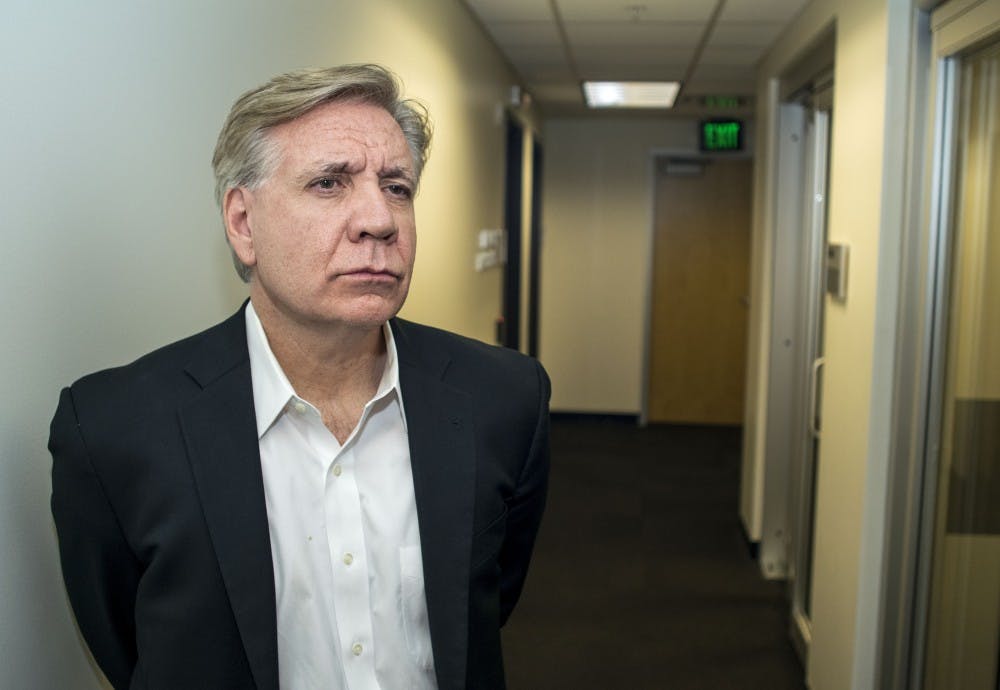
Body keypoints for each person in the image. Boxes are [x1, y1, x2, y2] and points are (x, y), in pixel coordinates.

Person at [49, 64, 550, 690]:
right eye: (329, 183)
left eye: (397, 187)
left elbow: (483, 608)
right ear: (243, 223)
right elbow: (134, 645)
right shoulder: (112, 429)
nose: (379, 220)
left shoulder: (503, 400)